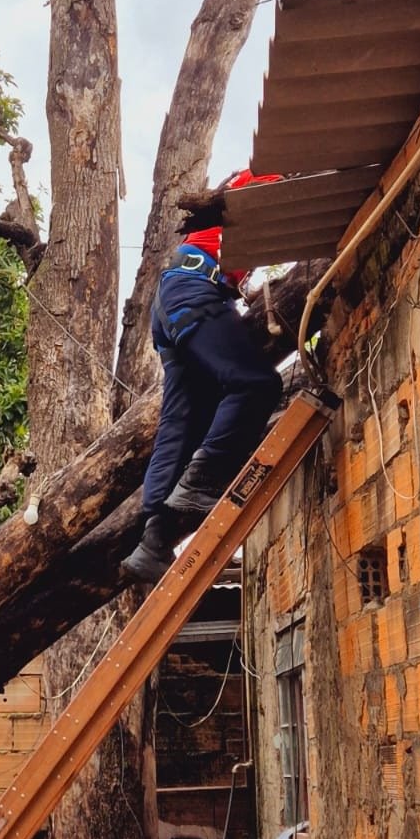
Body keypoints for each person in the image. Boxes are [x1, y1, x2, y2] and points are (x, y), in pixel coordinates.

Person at [122, 169, 284, 585]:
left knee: (182, 422)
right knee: (255, 384)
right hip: (195, 287)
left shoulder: (239, 195)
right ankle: (203, 479)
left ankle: (153, 541)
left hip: (171, 299)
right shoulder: (267, 176)